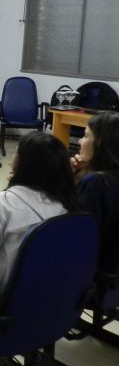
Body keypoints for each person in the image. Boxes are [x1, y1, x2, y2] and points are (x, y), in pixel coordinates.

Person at [0, 131, 82, 312]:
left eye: (15, 154)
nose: (11, 160)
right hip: (52, 306)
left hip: (2, 312)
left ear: (24, 165)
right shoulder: (70, 206)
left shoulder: (0, 205)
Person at [70, 111, 119, 272]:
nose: (80, 141)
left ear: (100, 144)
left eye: (85, 136)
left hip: (96, 275)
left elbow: (76, 239)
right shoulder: (104, 179)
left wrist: (72, 180)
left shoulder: (94, 184)